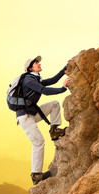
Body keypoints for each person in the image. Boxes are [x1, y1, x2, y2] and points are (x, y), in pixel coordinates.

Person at [17, 55, 74, 185]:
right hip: (25, 117)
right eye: (36, 63)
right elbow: (44, 91)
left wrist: (66, 68)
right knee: (38, 141)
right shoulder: (29, 80)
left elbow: (52, 80)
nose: (39, 64)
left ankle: (54, 131)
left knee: (54, 104)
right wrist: (63, 89)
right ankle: (36, 175)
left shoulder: (35, 78)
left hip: (31, 113)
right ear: (30, 68)